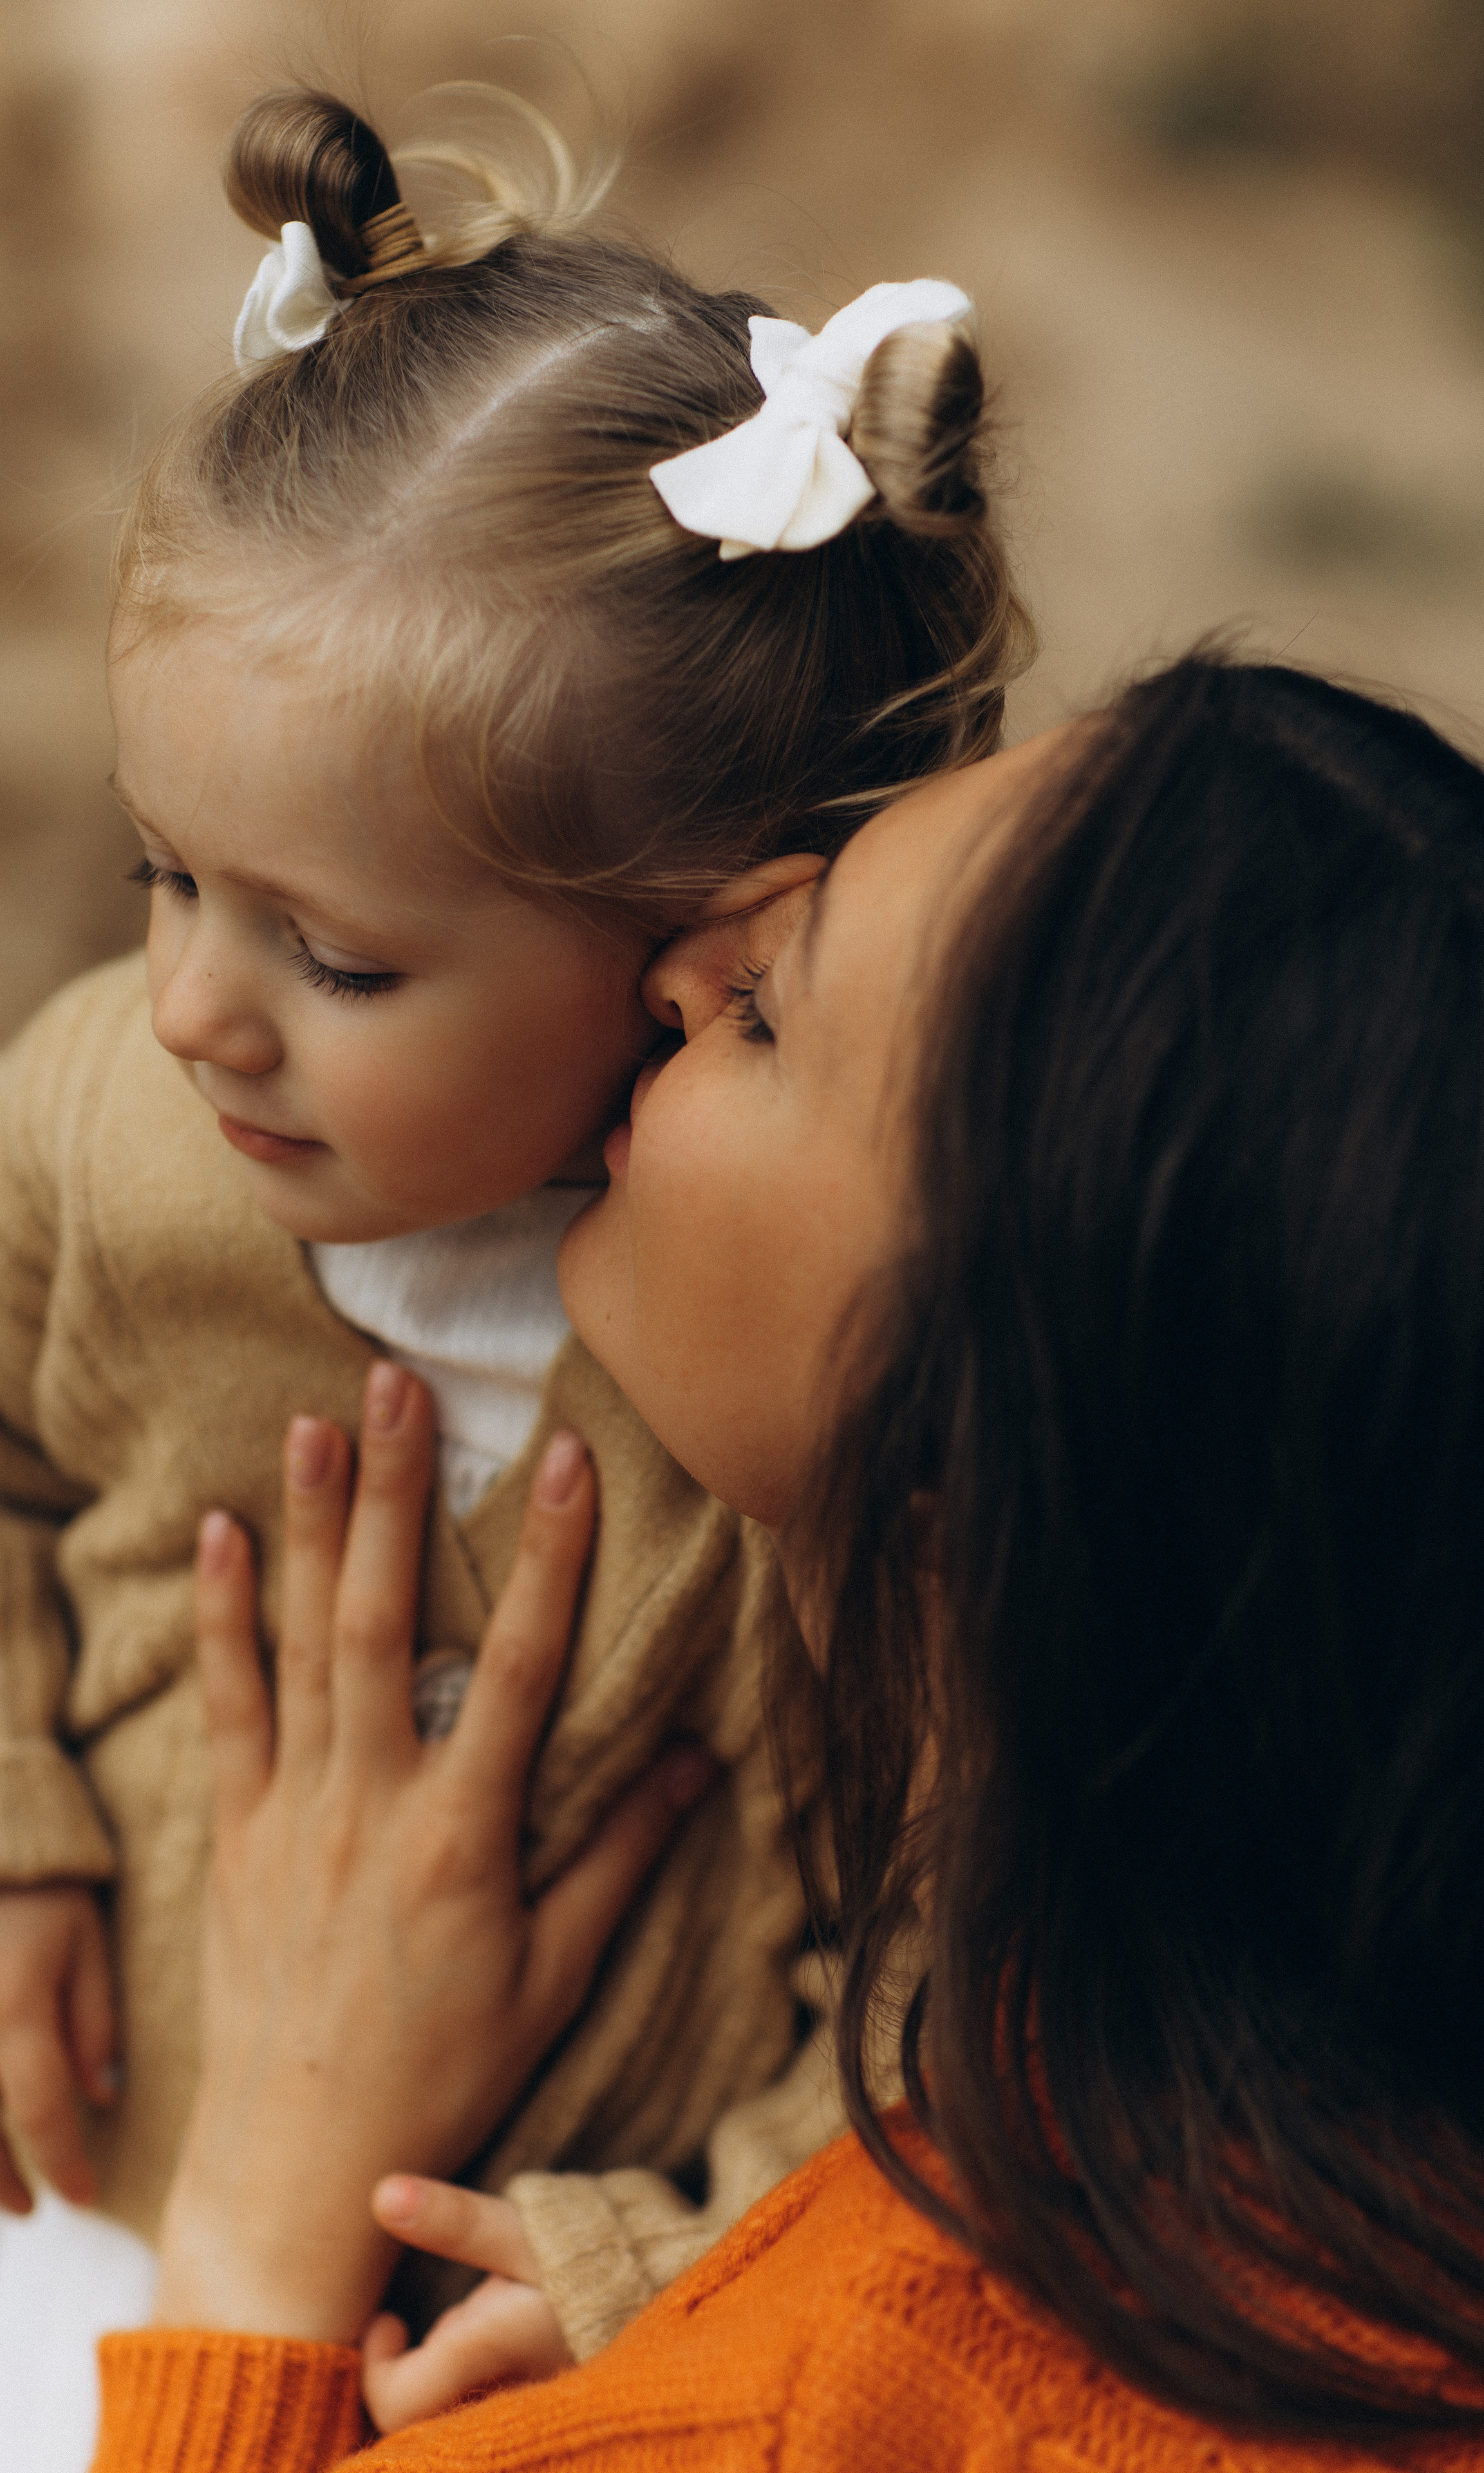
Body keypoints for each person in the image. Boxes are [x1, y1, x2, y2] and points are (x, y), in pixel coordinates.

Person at [91, 652, 1484, 2466]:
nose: (671, 965)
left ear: (965, 1468)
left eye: (763, 1011)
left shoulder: (771, 2418)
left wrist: (259, 2239)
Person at [0, 70, 1031, 2443]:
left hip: (481, 2378)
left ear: (698, 941)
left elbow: (951, 1967)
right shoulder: (103, 1130)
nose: (187, 1005)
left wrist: (654, 2262)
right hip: (70, 2175)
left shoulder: (806, 1376)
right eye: (167, 877)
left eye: (332, 959)